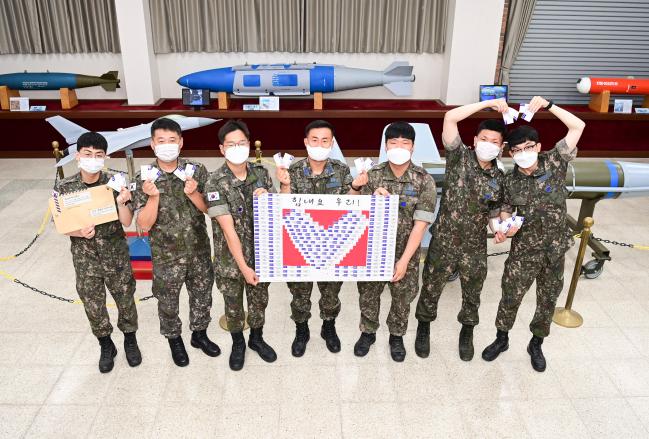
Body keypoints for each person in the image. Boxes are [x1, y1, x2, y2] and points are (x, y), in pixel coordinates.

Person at [482, 96, 585, 372]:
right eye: (517, 150)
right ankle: (501, 338)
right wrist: (503, 228)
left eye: (528, 147)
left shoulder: (554, 162)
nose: (523, 153)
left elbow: (578, 126)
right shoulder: (510, 180)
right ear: (511, 154)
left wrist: (549, 106)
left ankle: (536, 343)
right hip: (523, 252)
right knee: (510, 296)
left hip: (554, 251)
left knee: (547, 299)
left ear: (538, 147)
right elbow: (503, 211)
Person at [415, 99, 508, 361]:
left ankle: (467, 331)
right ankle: (424, 327)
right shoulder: (459, 157)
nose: (488, 144)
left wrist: (498, 230)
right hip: (443, 240)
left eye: (494, 141)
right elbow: (450, 118)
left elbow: (493, 214)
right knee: (431, 286)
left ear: (501, 148)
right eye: (484, 138)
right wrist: (489, 104)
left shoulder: (499, 179)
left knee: (473, 291)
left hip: (475, 245)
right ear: (475, 140)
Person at [276, 119, 368, 357]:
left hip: (332, 245)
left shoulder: (340, 169)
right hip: (300, 244)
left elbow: (350, 204)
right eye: (314, 140)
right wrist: (284, 185)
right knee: (300, 293)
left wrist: (356, 188)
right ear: (306, 142)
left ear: (332, 143)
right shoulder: (292, 171)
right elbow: (283, 208)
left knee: (330, 292)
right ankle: (302, 330)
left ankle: (329, 327)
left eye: (324, 140)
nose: (319, 144)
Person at [132, 117, 219, 367]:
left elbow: (208, 210)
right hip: (166, 255)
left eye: (172, 140)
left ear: (181, 143)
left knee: (202, 295)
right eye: (161, 141)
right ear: (152, 144)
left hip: (198, 249)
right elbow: (144, 224)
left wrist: (193, 193)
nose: (167, 145)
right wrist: (152, 198)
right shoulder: (145, 178)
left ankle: (199, 334)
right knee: (168, 301)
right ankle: (174, 340)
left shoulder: (196, 170)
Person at [54, 132, 140, 373]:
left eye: (98, 155)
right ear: (78, 155)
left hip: (116, 257)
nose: (92, 159)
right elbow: (61, 224)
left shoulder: (114, 182)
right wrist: (80, 232)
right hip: (86, 259)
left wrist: (123, 202)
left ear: (105, 157)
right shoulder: (65, 187)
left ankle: (130, 340)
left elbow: (126, 222)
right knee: (93, 305)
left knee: (125, 300)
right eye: (87, 154)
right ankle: (106, 344)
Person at [353, 121, 437, 362]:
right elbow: (353, 210)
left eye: (405, 143)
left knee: (402, 298)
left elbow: (420, 225)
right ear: (385, 146)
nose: (399, 147)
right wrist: (364, 193)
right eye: (393, 143)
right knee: (368, 294)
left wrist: (403, 261)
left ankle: (397, 335)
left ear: (412, 148)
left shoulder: (424, 180)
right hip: (372, 251)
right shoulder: (372, 176)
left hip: (406, 252)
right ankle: (368, 332)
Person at [205, 120, 277, 371]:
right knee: (233, 305)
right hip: (231, 260)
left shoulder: (262, 174)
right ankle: (238, 343)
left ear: (249, 144)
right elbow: (228, 229)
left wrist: (270, 200)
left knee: (259, 302)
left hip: (262, 255)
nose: (238, 148)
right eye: (231, 144)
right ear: (222, 149)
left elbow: (279, 213)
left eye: (242, 143)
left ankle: (257, 339)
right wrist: (244, 267)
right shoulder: (215, 182)